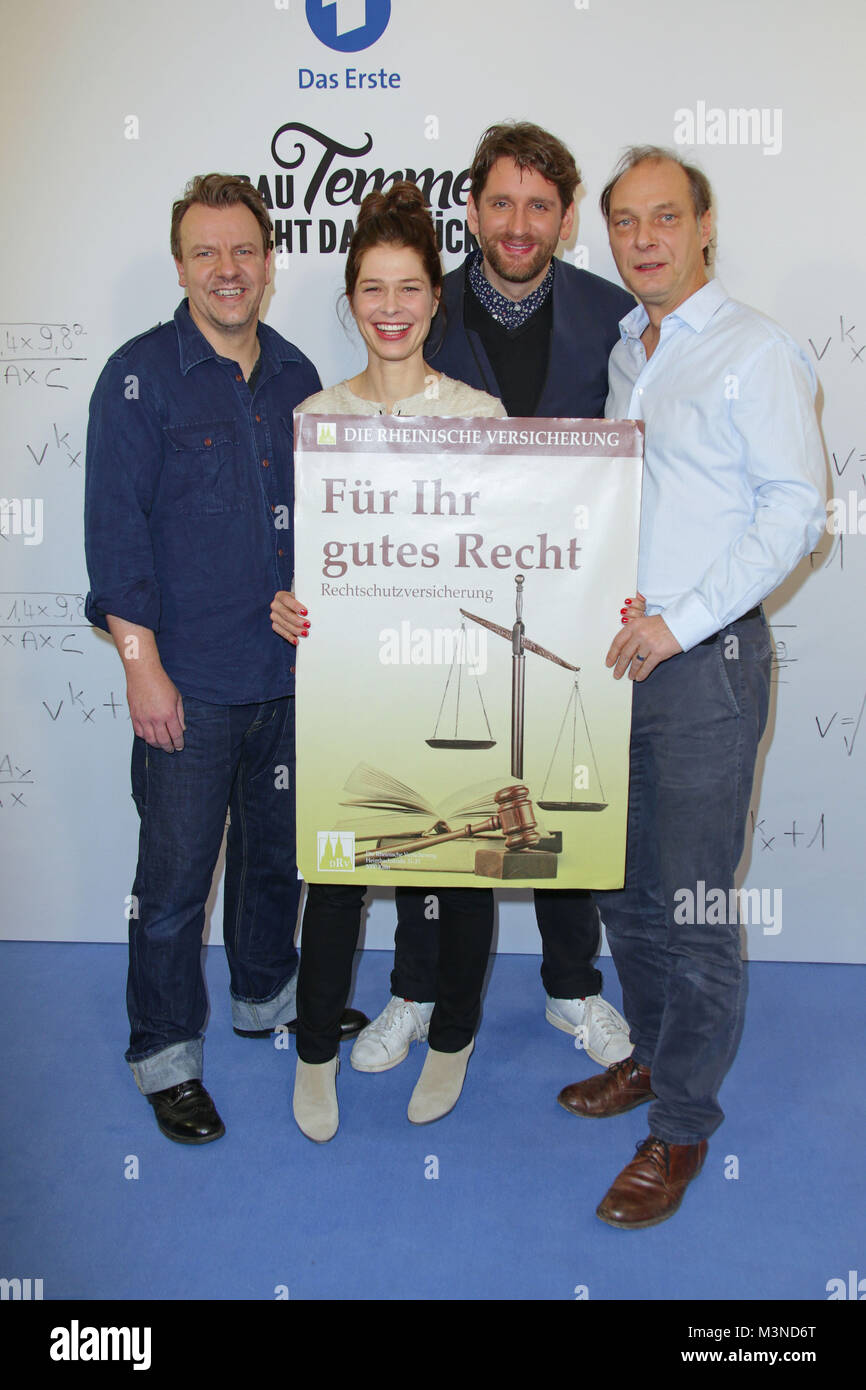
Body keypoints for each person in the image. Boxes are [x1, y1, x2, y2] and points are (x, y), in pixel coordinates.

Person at [557, 147, 826, 1227]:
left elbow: (792, 510)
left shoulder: (754, 350)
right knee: (623, 889)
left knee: (696, 904)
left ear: (704, 225)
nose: (643, 239)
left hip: (702, 667)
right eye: (624, 223)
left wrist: (679, 620)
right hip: (620, 661)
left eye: (664, 218)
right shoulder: (629, 347)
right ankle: (656, 1061)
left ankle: (678, 1128)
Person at [350, 122, 637, 1078]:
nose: (519, 224)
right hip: (441, 597)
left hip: (568, 594)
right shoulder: (423, 308)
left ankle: (572, 988)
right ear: (471, 209)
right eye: (501, 202)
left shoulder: (611, 315)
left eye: (540, 206)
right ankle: (415, 988)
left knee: (558, 797)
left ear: (563, 217)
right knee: (444, 795)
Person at [84, 173, 364, 1146]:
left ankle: (265, 998)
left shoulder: (295, 377)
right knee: (170, 884)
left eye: (242, 249)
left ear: (269, 260)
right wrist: (140, 666)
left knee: (272, 864)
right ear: (179, 266)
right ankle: (164, 1054)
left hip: (287, 683)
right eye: (205, 253)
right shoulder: (135, 378)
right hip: (187, 690)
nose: (226, 270)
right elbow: (114, 542)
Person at [270, 182, 508, 1142]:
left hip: (454, 682)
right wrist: (287, 603)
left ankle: (452, 1039)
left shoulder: (482, 415)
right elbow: (306, 560)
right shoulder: (315, 416)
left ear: (435, 297)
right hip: (354, 690)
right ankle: (315, 1055)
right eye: (374, 288)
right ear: (351, 297)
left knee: (459, 870)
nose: (392, 308)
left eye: (410, 287)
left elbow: (520, 554)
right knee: (334, 878)